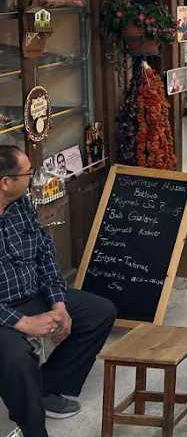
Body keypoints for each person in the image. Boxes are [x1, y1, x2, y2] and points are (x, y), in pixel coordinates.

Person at [0, 146, 116, 437]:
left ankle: (45, 387)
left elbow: (44, 253)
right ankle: (32, 428)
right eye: (28, 173)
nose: (34, 178)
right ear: (5, 182)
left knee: (99, 313)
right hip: (3, 312)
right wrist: (23, 322)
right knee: (16, 357)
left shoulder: (22, 205)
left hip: (31, 295)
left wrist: (58, 303)